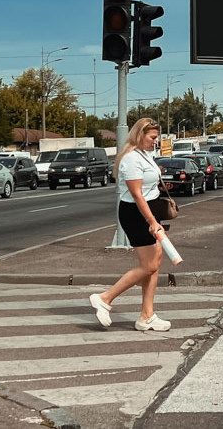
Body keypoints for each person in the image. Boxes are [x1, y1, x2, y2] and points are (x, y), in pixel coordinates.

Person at [89, 118, 173, 332]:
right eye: (152, 137)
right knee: (149, 266)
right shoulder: (131, 159)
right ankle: (104, 298)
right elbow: (136, 194)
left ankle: (147, 316)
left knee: (154, 264)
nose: (156, 141)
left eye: (156, 137)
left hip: (149, 211)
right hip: (137, 214)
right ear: (139, 135)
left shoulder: (146, 154)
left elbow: (147, 188)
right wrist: (152, 222)